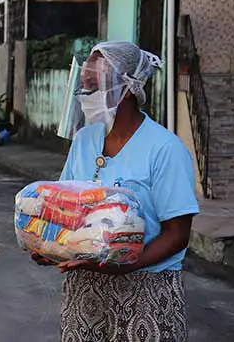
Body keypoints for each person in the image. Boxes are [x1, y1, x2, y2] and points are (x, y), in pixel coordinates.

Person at [32, 41, 199, 341]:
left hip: (146, 292)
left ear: (127, 88)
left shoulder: (165, 149)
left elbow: (177, 234)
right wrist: (51, 247)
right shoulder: (84, 140)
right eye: (83, 86)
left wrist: (125, 266)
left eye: (94, 86)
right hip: (85, 291)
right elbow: (67, 210)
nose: (84, 95)